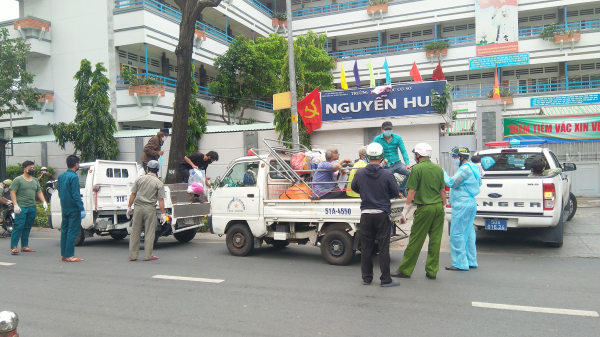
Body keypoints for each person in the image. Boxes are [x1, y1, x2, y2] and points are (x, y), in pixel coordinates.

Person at [392, 143, 446, 280]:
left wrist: (405, 209)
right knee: (435, 240)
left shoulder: (417, 169)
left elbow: (411, 191)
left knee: (416, 240)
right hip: (438, 207)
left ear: (418, 155)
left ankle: (405, 270)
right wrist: (444, 206)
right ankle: (432, 271)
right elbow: (442, 190)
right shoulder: (438, 169)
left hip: (425, 208)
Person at [351, 143, 400, 287]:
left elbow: (354, 188)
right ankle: (385, 279)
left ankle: (366, 278)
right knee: (383, 247)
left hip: (366, 214)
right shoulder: (387, 174)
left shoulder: (360, 173)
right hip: (382, 214)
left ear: (367, 157)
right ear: (382, 157)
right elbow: (395, 191)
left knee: (366, 247)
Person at [443, 146, 482, 271]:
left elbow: (451, 183)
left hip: (462, 204)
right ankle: (471, 260)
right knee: (469, 233)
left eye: (455, 157)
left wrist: (441, 171)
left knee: (456, 233)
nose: (453, 159)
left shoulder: (465, 169)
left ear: (461, 157)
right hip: (470, 203)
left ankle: (460, 263)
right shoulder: (473, 167)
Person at [127, 160, 167, 261]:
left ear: (147, 169)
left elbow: (133, 194)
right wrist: (163, 214)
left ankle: (133, 256)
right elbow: (161, 199)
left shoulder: (139, 179)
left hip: (138, 208)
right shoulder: (159, 182)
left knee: (135, 231)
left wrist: (129, 207)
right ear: (157, 170)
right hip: (150, 209)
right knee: (149, 232)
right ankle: (148, 255)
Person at [9, 161, 48, 255]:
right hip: (22, 207)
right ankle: (13, 247)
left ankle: (24, 246)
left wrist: (44, 201)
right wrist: (15, 205)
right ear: (24, 169)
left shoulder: (34, 180)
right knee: (19, 226)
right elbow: (12, 192)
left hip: (32, 207)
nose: (32, 169)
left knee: (27, 227)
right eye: (30, 167)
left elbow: (39, 192)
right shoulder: (18, 180)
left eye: (33, 167)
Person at [57, 155, 86, 262]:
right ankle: (70, 255)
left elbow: (60, 192)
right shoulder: (74, 177)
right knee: (72, 232)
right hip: (73, 208)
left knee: (64, 230)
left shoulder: (61, 176)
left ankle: (64, 255)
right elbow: (75, 194)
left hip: (64, 207)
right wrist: (81, 208)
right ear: (76, 164)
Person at [373, 121, 411, 194]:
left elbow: (403, 151)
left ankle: (399, 190)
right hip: (386, 165)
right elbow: (372, 150)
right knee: (384, 180)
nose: (388, 131)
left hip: (397, 163)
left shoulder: (398, 138)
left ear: (392, 129)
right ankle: (391, 193)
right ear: (382, 129)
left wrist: (407, 164)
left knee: (411, 173)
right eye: (386, 129)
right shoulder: (377, 139)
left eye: (389, 129)